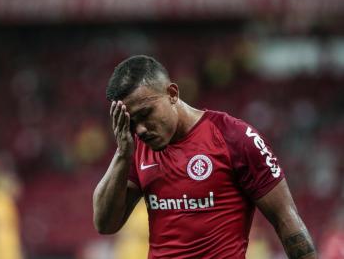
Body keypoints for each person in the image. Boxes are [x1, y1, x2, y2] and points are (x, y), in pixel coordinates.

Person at [93, 55, 317, 258]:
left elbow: (286, 220)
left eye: (145, 114)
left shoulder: (234, 138)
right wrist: (122, 154)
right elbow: (105, 224)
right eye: (131, 122)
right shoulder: (138, 147)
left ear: (172, 93)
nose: (140, 129)